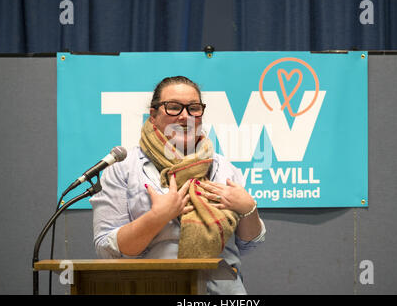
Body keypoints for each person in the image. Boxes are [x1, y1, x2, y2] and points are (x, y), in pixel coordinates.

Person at [90, 76, 266, 294]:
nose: (185, 116)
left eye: (193, 108)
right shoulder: (123, 169)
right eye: (173, 107)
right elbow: (108, 248)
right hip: (152, 289)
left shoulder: (225, 169)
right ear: (153, 115)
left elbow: (247, 244)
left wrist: (249, 209)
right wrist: (157, 217)